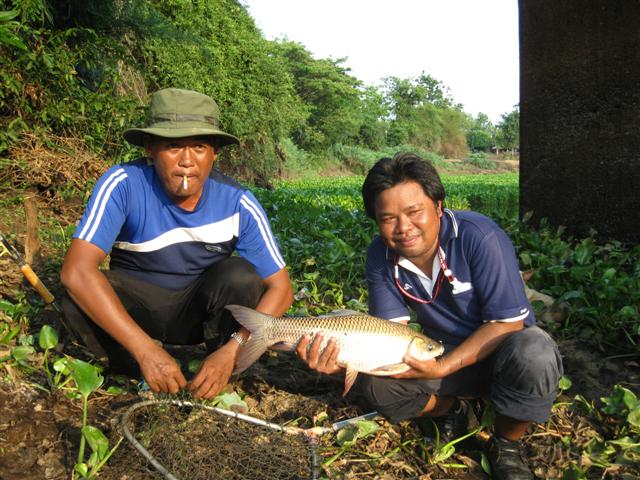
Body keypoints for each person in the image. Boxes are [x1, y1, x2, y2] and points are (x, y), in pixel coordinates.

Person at [297, 152, 562, 480]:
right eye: (388, 218)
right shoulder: (380, 255)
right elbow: (388, 332)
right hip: (440, 351)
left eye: (414, 212)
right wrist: (340, 360)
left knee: (535, 352)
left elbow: (507, 322)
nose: (403, 228)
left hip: (501, 354)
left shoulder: (479, 237)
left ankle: (506, 443)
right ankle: (452, 411)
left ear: (437, 206)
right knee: (376, 384)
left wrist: (444, 366)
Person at [60, 88, 293, 399]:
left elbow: (281, 289)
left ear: (214, 153)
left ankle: (216, 367)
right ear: (150, 148)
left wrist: (234, 350)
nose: (186, 162)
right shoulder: (123, 184)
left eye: (198, 147)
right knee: (75, 299)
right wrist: (145, 351)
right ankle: (132, 367)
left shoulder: (237, 202)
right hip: (138, 311)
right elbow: (76, 271)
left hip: (198, 314)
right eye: (172, 147)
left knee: (242, 276)